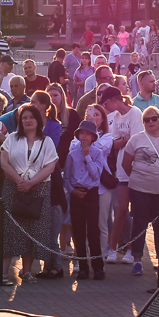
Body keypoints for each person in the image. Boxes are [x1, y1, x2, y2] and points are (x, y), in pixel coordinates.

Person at [0, 104, 58, 284]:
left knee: (31, 230)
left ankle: (27, 271)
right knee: (9, 230)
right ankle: (2, 272)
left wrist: (31, 183)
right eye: (24, 118)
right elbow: (4, 162)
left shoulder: (47, 141)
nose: (28, 120)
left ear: (38, 120)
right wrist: (19, 181)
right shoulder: (12, 138)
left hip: (38, 189)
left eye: (31, 117)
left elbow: (50, 166)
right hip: (13, 187)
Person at [123, 106, 159, 275]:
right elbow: (126, 164)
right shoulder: (136, 139)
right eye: (146, 120)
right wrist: (140, 177)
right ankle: (137, 260)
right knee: (139, 225)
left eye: (154, 118)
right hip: (139, 189)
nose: (150, 122)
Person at [101, 86, 144, 264]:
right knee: (121, 209)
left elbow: (135, 141)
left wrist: (122, 140)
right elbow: (113, 143)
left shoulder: (135, 113)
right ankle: (114, 249)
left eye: (105, 103)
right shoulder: (116, 116)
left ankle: (132, 250)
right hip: (121, 168)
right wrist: (123, 140)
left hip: (136, 167)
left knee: (136, 210)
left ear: (114, 100)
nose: (105, 107)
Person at [66, 120, 108, 280]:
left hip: (91, 193)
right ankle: (82, 267)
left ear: (93, 137)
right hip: (77, 193)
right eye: (82, 133)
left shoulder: (98, 152)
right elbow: (67, 178)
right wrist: (73, 191)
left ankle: (98, 267)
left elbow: (96, 175)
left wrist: (87, 155)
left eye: (87, 134)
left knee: (93, 231)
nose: (84, 137)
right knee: (78, 231)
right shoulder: (72, 154)